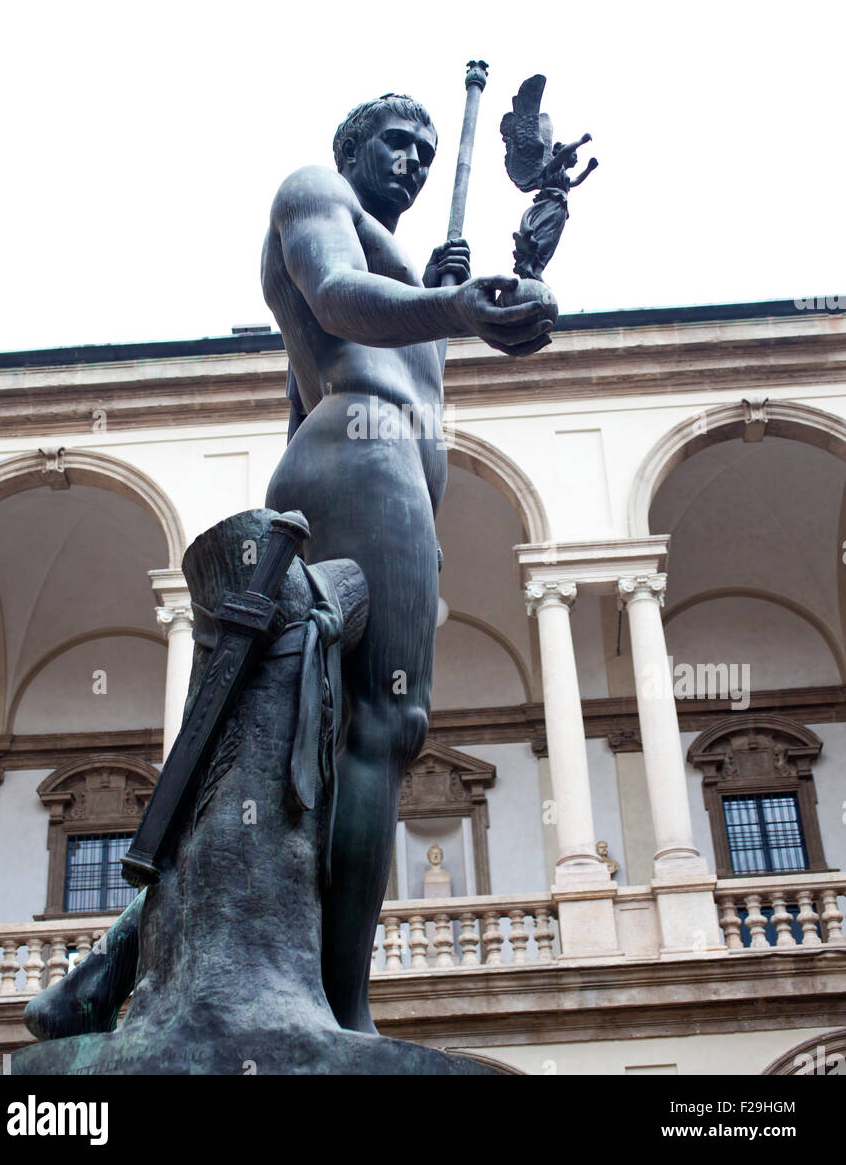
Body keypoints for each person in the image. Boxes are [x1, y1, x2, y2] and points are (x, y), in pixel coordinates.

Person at [261, 91, 553, 1032]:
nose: (415, 161)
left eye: (428, 151)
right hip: (364, 451)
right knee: (380, 730)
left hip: (383, 482)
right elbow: (339, 298)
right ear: (350, 148)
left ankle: (330, 995)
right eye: (396, 142)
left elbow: (331, 365)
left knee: (350, 731)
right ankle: (342, 1012)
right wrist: (447, 303)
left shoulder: (409, 285)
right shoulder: (314, 195)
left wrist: (466, 298)